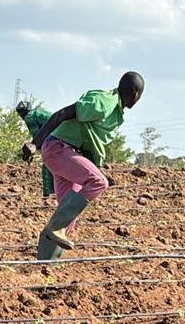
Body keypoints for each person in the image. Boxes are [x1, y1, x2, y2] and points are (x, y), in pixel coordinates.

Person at [22, 72, 145, 260]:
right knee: (98, 182)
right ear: (136, 95)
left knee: (68, 216)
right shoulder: (104, 103)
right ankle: (55, 229)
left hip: (66, 153)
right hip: (59, 148)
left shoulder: (114, 108)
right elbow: (62, 114)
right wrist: (35, 143)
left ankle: (46, 262)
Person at [15, 101, 56, 198]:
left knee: (47, 165)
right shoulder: (38, 113)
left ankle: (48, 194)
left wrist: (31, 151)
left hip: (54, 139)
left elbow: (37, 135)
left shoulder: (30, 116)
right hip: (62, 135)